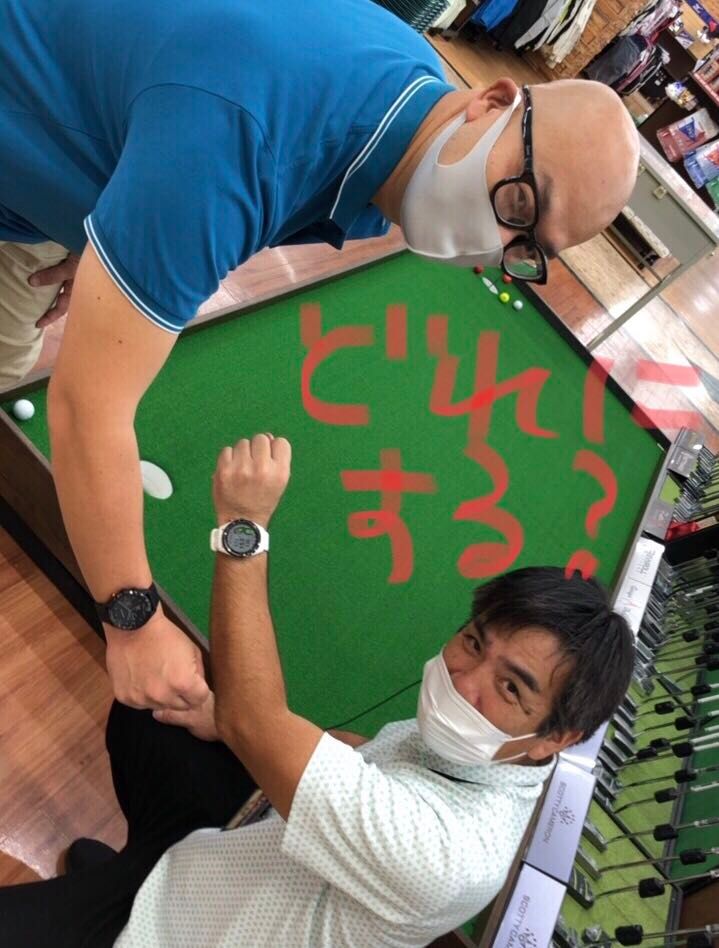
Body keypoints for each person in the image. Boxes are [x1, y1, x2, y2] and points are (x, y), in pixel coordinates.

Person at [0, 0, 641, 710]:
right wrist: (134, 621)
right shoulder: (250, 138)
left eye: (528, 248)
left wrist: (110, 223)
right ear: (490, 101)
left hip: (56, 161)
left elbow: (167, 112)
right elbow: (87, 407)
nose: (498, 243)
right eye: (518, 201)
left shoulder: (405, 129)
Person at [0, 433, 635, 948]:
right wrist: (225, 719)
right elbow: (360, 750)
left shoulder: (448, 856)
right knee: (157, 714)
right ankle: (127, 872)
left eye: (510, 687)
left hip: (168, 935)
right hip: (217, 857)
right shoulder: (491, 753)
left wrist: (244, 526)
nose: (465, 681)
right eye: (474, 640)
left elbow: (254, 721)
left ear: (556, 738)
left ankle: (111, 901)